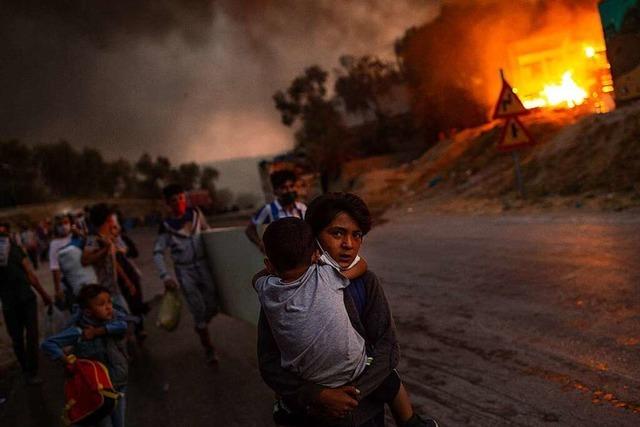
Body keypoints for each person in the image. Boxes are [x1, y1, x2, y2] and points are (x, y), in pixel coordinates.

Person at [257, 193, 438, 427]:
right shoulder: (282, 295)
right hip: (310, 416)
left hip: (366, 415)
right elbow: (269, 363)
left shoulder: (365, 283)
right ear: (313, 239)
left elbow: (387, 347)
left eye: (357, 235)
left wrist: (352, 394)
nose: (348, 245)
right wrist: (318, 395)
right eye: (337, 233)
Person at [41, 284, 129, 427]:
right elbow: (48, 343)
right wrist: (66, 360)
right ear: (88, 312)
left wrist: (97, 332)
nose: (108, 307)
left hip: (119, 383)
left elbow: (123, 325)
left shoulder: (113, 319)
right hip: (99, 391)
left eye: (109, 302)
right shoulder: (79, 331)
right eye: (101, 304)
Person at [153, 184, 219, 363]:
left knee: (213, 302)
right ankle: (209, 348)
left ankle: (201, 324)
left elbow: (208, 233)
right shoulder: (166, 226)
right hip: (185, 270)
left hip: (203, 265)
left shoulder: (196, 214)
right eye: (174, 200)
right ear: (168, 203)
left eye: (181, 198)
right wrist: (165, 276)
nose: (179, 202)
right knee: (197, 308)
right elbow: (158, 253)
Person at [0, 222, 53, 385]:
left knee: (29, 336)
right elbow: (30, 274)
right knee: (19, 338)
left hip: (25, 300)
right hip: (13, 303)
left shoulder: (17, 250)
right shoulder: (14, 251)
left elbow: (30, 274)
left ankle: (31, 371)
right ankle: (27, 370)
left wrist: (43, 294)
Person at [82, 204, 135, 312]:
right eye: (111, 217)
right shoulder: (92, 239)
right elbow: (85, 260)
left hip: (115, 289)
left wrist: (126, 280)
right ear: (107, 219)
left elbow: (113, 261)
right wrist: (105, 249)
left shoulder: (108, 237)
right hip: (102, 292)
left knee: (125, 316)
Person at [245, 169, 307, 252]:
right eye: (284, 188)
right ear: (275, 191)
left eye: (291, 186)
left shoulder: (302, 208)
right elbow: (250, 229)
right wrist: (261, 244)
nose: (289, 190)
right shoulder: (270, 209)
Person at [49, 214, 73, 308]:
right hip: (67, 284)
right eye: (60, 224)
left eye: (66, 223)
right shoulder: (54, 244)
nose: (63, 226)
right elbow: (55, 268)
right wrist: (57, 289)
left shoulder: (76, 237)